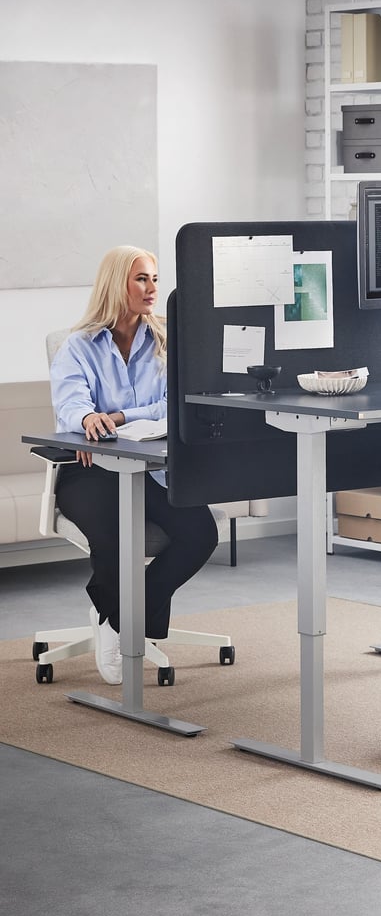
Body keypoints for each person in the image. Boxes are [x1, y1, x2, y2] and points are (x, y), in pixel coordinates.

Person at [50, 246, 219, 685]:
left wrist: (122, 416)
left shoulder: (166, 340)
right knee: (117, 531)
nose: (152, 289)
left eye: (155, 279)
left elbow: (172, 406)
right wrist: (87, 418)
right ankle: (119, 613)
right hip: (88, 469)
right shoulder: (78, 346)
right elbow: (72, 406)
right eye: (141, 279)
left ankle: (117, 617)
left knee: (201, 533)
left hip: (151, 469)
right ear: (116, 284)